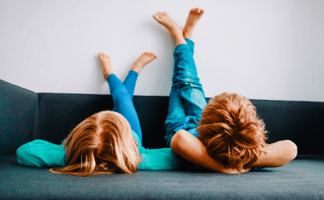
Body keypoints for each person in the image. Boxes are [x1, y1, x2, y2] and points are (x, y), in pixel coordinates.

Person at [153, 8, 298, 174]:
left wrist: (220, 167)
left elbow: (180, 137)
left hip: (180, 128)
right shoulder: (244, 152)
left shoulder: (184, 139)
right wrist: (237, 162)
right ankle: (183, 38)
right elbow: (290, 148)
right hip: (210, 128)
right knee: (187, 82)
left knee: (180, 84)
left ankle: (181, 37)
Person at [16, 52, 183, 177]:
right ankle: (132, 70)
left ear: (76, 138)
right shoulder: (136, 158)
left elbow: (25, 151)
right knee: (123, 100)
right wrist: (131, 159)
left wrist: (72, 158)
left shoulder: (70, 155)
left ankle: (111, 73)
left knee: (123, 99)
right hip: (131, 137)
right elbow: (177, 157)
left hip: (104, 148)